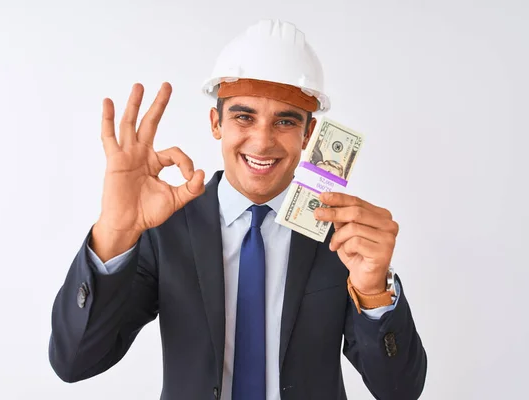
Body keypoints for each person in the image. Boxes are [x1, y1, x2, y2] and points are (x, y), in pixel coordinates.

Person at [48, 19, 427, 400]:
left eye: (285, 121)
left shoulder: (342, 237)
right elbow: (74, 361)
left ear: (308, 135)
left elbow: (400, 391)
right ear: (217, 123)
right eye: (244, 117)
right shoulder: (167, 228)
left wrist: (375, 291)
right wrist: (114, 231)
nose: (262, 142)